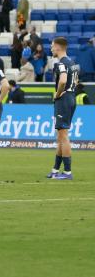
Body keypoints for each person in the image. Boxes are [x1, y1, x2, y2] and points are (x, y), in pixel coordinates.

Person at [47, 37, 79, 180]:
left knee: (63, 136)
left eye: (52, 46)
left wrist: (57, 94)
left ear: (58, 48)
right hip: (71, 98)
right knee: (60, 136)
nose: (51, 48)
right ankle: (55, 169)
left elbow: (63, 80)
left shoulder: (61, 63)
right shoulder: (71, 62)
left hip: (64, 100)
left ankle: (67, 172)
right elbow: (75, 81)